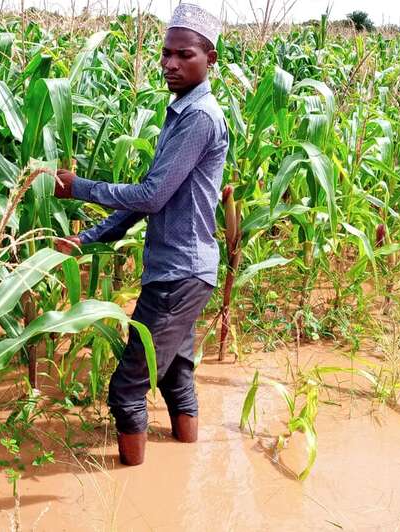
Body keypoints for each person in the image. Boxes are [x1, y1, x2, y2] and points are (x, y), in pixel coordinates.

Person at [53, 3, 228, 466]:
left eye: (184, 54)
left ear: (210, 59)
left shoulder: (200, 118)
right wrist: (86, 238)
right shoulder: (182, 113)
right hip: (186, 270)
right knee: (174, 376)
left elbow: (149, 196)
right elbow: (153, 199)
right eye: (166, 53)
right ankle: (182, 468)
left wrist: (79, 188)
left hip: (178, 273)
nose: (170, 63)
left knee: (127, 386)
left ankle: (127, 492)